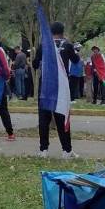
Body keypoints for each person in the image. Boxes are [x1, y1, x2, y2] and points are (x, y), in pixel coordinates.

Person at [34, 20, 79, 158]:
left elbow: (35, 64)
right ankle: (67, 150)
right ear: (62, 32)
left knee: (44, 119)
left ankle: (43, 150)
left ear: (51, 32)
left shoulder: (44, 46)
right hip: (61, 88)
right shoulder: (68, 45)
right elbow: (76, 60)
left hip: (46, 87)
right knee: (62, 117)